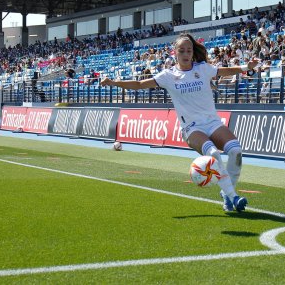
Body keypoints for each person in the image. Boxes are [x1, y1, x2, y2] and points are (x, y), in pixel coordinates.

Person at [101, 33, 260, 213]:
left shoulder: (203, 68)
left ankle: (226, 193)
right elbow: (139, 84)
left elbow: (225, 71)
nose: (186, 53)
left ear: (193, 52)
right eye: (182, 50)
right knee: (214, 153)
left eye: (189, 50)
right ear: (174, 52)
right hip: (192, 128)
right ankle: (233, 197)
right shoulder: (168, 75)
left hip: (213, 123)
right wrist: (114, 82)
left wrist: (247, 67)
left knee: (236, 151)